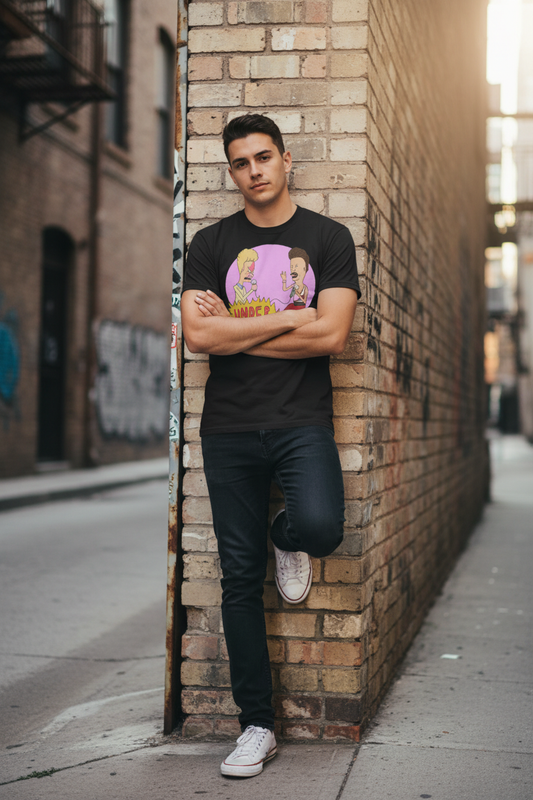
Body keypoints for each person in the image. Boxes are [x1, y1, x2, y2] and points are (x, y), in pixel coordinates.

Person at [181, 113, 361, 778]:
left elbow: (331, 337)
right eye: (240, 162)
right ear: (231, 172)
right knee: (238, 577)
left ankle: (286, 535)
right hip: (228, 427)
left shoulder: (328, 237)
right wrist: (292, 317)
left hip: (300, 420)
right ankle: (256, 725)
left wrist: (235, 329)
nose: (253, 170)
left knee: (320, 526)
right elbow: (199, 339)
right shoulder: (210, 245)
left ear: (286, 160)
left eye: (263, 157)